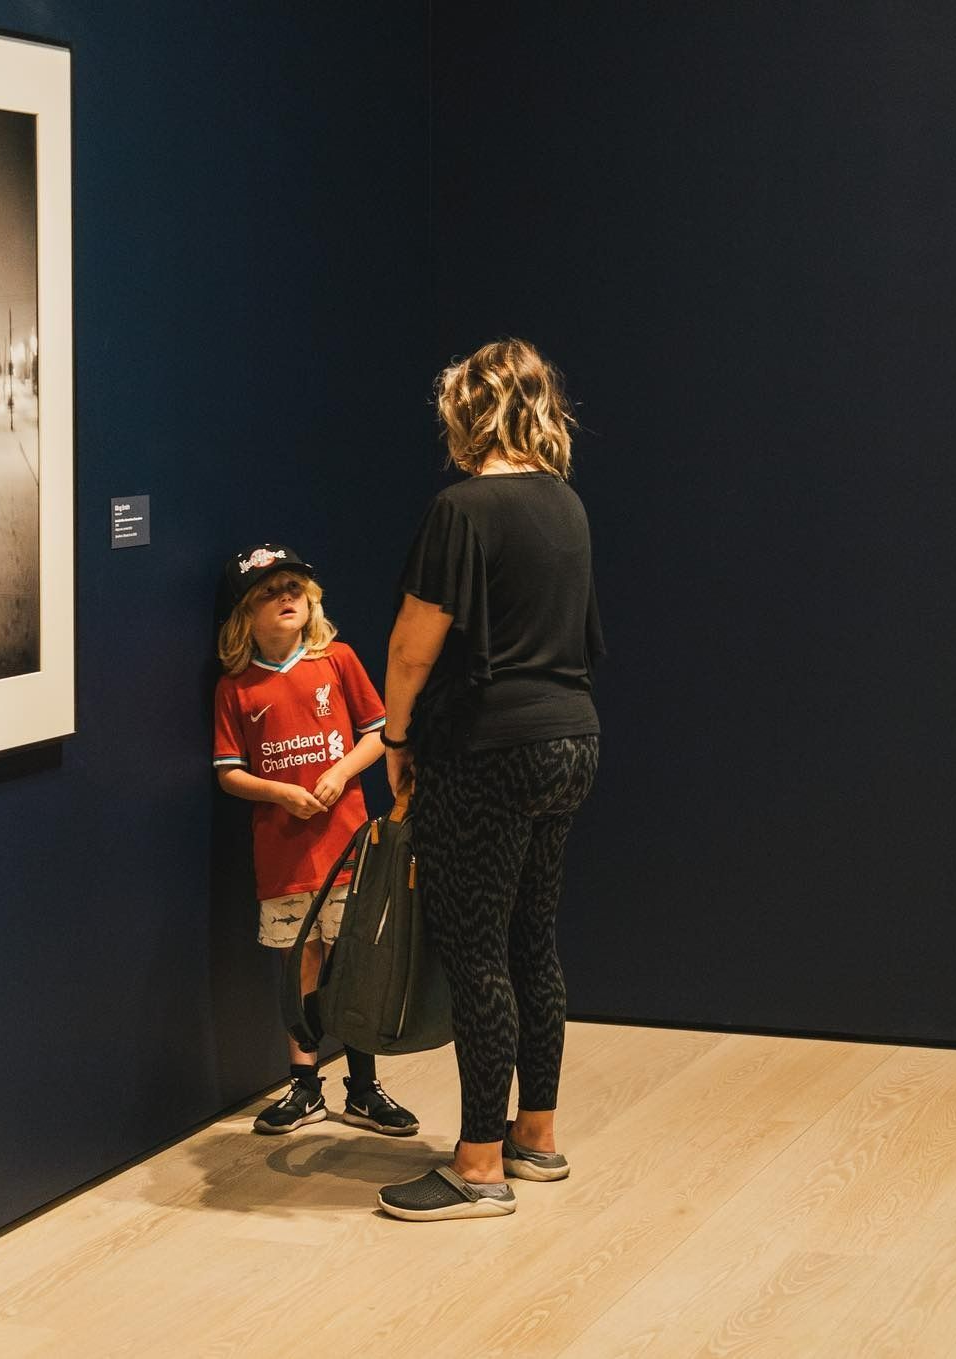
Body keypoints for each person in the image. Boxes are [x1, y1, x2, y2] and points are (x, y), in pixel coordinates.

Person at [375, 339, 604, 1221]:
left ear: (467, 412)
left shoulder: (461, 509)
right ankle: (534, 1136)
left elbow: (411, 646)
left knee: (476, 952)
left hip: (487, 750)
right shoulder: (567, 505)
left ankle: (475, 1166)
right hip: (571, 739)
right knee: (532, 938)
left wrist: (397, 737)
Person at [213, 543, 420, 1137]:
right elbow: (228, 772)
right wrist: (280, 793)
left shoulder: (337, 660)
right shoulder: (236, 687)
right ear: (246, 612)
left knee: (354, 962)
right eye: (270, 592)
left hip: (346, 848)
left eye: (294, 589)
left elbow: (379, 733)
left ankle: (364, 1088)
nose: (287, 598)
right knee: (300, 963)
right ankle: (305, 1085)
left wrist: (339, 772)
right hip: (283, 856)